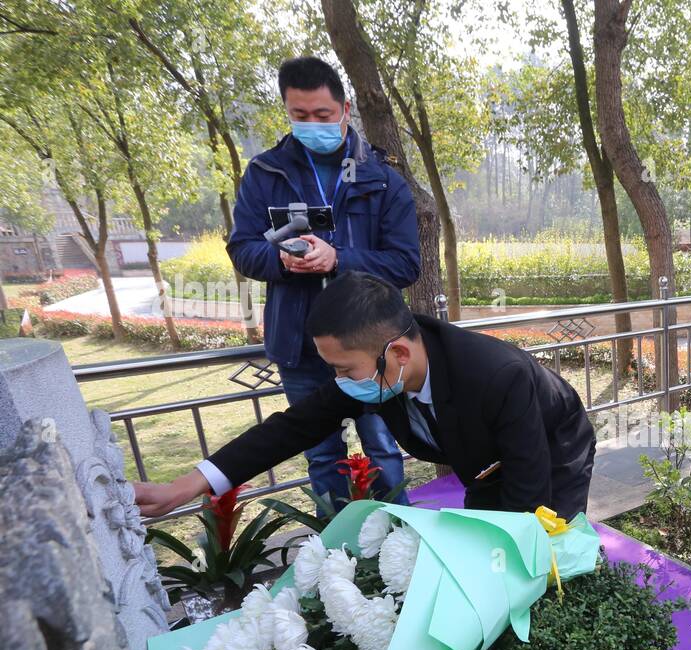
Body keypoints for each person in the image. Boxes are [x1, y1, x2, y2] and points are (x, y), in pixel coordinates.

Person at [134, 272, 597, 521]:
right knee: (483, 530)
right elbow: (295, 426)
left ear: (396, 352)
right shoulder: (380, 368)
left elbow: (529, 498)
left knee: (546, 537)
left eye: (343, 370)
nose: (340, 381)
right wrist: (189, 484)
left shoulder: (498, 376)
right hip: (486, 457)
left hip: (556, 445)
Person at [227, 55, 420, 509]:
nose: (311, 124)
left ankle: (398, 541)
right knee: (320, 454)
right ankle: (338, 551)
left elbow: (405, 263)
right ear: (288, 112)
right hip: (299, 346)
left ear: (345, 109)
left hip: (372, 342)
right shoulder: (265, 174)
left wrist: (340, 259)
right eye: (300, 116)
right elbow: (242, 249)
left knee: (384, 451)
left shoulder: (382, 179)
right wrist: (280, 260)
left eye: (322, 115)